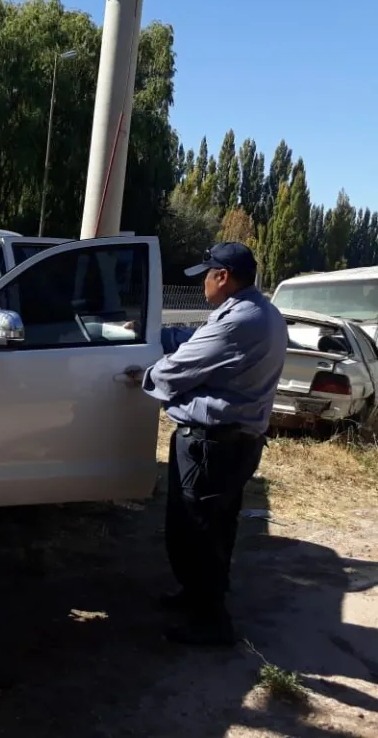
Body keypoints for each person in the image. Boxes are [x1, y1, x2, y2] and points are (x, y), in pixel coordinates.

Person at [136, 242, 287, 647]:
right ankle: (199, 597)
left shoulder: (241, 321)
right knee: (214, 527)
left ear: (222, 277)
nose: (203, 282)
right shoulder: (261, 312)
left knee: (198, 531)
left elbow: (180, 367)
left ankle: (211, 622)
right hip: (233, 443)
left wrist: (145, 374)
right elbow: (197, 340)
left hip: (212, 445)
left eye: (207, 274)